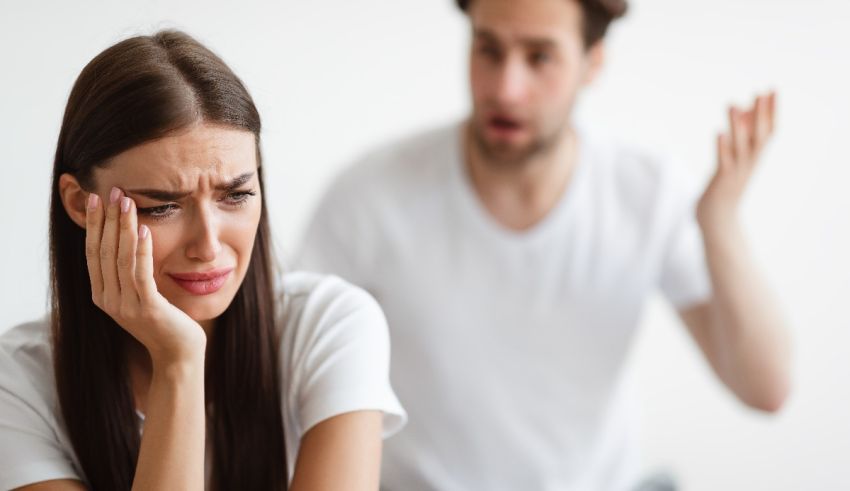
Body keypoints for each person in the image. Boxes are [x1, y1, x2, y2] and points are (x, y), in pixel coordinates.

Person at [297, 0, 791, 489]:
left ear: (592, 63)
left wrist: (719, 223)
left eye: (540, 57)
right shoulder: (369, 197)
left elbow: (764, 387)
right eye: (488, 50)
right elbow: (278, 372)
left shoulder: (646, 193)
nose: (506, 89)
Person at [0, 30, 405, 491]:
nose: (209, 245)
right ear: (78, 203)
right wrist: (178, 362)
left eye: (236, 195)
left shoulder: (328, 328)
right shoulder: (17, 383)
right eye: (162, 207)